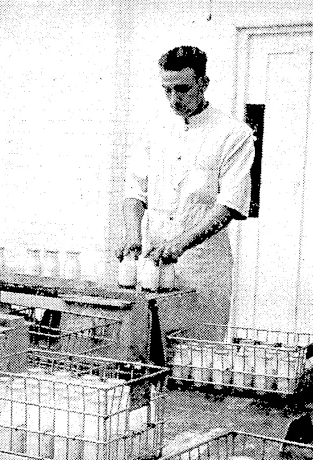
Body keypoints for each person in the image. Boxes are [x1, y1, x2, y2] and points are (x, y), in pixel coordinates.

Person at [117, 45, 254, 327]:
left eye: (182, 89)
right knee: (147, 351)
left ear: (203, 84)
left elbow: (229, 205)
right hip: (153, 264)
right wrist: (133, 236)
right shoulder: (154, 129)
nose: (173, 98)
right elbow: (134, 191)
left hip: (201, 265)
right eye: (167, 90)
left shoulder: (233, 134)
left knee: (197, 360)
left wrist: (180, 243)